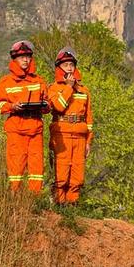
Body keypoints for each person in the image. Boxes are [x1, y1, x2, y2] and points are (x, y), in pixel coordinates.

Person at [0, 40, 49, 194]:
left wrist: (45, 106)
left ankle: (34, 199)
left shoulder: (39, 81)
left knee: (36, 166)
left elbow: (47, 104)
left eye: (28, 56)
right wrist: (12, 106)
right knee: (16, 164)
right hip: (16, 128)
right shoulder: (5, 82)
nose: (25, 60)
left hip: (35, 128)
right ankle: (15, 196)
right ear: (14, 59)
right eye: (22, 57)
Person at [47, 47, 93, 205]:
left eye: (71, 64)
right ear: (59, 67)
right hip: (62, 135)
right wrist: (68, 87)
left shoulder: (84, 91)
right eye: (66, 64)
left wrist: (89, 142)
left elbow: (89, 119)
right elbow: (58, 107)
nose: (69, 67)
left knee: (77, 175)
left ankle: (73, 207)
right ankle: (59, 206)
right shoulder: (53, 88)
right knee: (61, 171)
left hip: (80, 136)